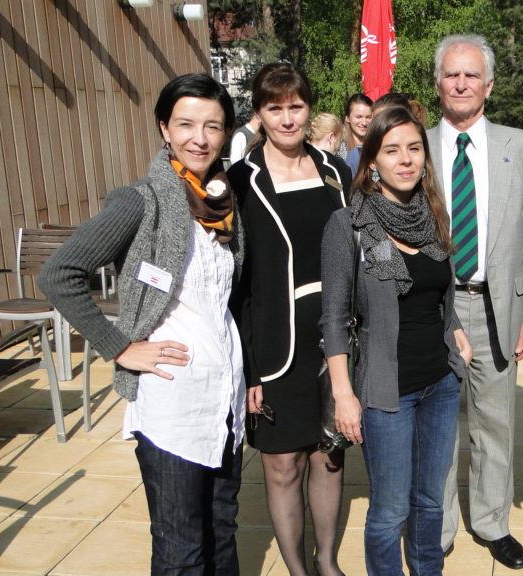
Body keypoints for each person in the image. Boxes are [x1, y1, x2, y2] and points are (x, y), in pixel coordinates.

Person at [40, 73, 245, 575]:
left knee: (221, 534)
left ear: (226, 135)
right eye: (186, 124)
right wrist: (119, 346)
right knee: (181, 549)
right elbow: (59, 274)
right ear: (164, 129)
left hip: (224, 399)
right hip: (172, 404)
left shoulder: (223, 201)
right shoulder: (142, 200)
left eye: (213, 126)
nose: (200, 137)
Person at [321, 106, 473, 576]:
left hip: (441, 384)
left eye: (413, 149)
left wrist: (458, 333)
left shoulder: (432, 216)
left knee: (430, 501)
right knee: (389, 512)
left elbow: (442, 294)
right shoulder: (349, 226)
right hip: (387, 392)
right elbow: (333, 318)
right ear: (371, 163)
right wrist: (344, 395)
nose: (405, 160)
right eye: (392, 150)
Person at [227, 63, 351, 576]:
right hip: (276, 343)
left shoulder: (334, 171)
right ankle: (297, 570)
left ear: (309, 108)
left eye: (295, 106)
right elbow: (236, 282)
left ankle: (327, 563)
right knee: (282, 465)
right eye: (274, 108)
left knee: (328, 454)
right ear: (259, 114)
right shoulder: (240, 180)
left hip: (336, 339)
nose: (286, 118)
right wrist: (250, 368)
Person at [428, 34, 523, 570]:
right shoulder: (416, 147)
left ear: (489, 86)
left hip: (500, 307)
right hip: (435, 310)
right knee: (439, 427)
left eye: (471, 75)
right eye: (451, 74)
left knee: (496, 423)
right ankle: (441, 527)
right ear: (437, 84)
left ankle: (492, 522)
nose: (461, 83)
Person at [338, 93, 373, 172]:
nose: (364, 122)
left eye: (368, 117)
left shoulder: (378, 146)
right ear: (347, 118)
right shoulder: (338, 148)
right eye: (358, 117)